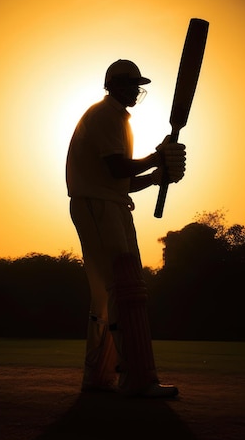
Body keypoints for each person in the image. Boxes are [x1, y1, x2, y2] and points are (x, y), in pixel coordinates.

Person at [65, 59, 186, 397]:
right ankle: (138, 378)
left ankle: (100, 375)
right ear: (115, 85)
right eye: (132, 85)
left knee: (106, 294)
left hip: (105, 203)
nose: (136, 91)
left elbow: (123, 181)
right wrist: (157, 156)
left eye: (138, 85)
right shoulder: (105, 115)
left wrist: (155, 176)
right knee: (125, 288)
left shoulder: (115, 118)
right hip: (98, 206)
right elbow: (117, 169)